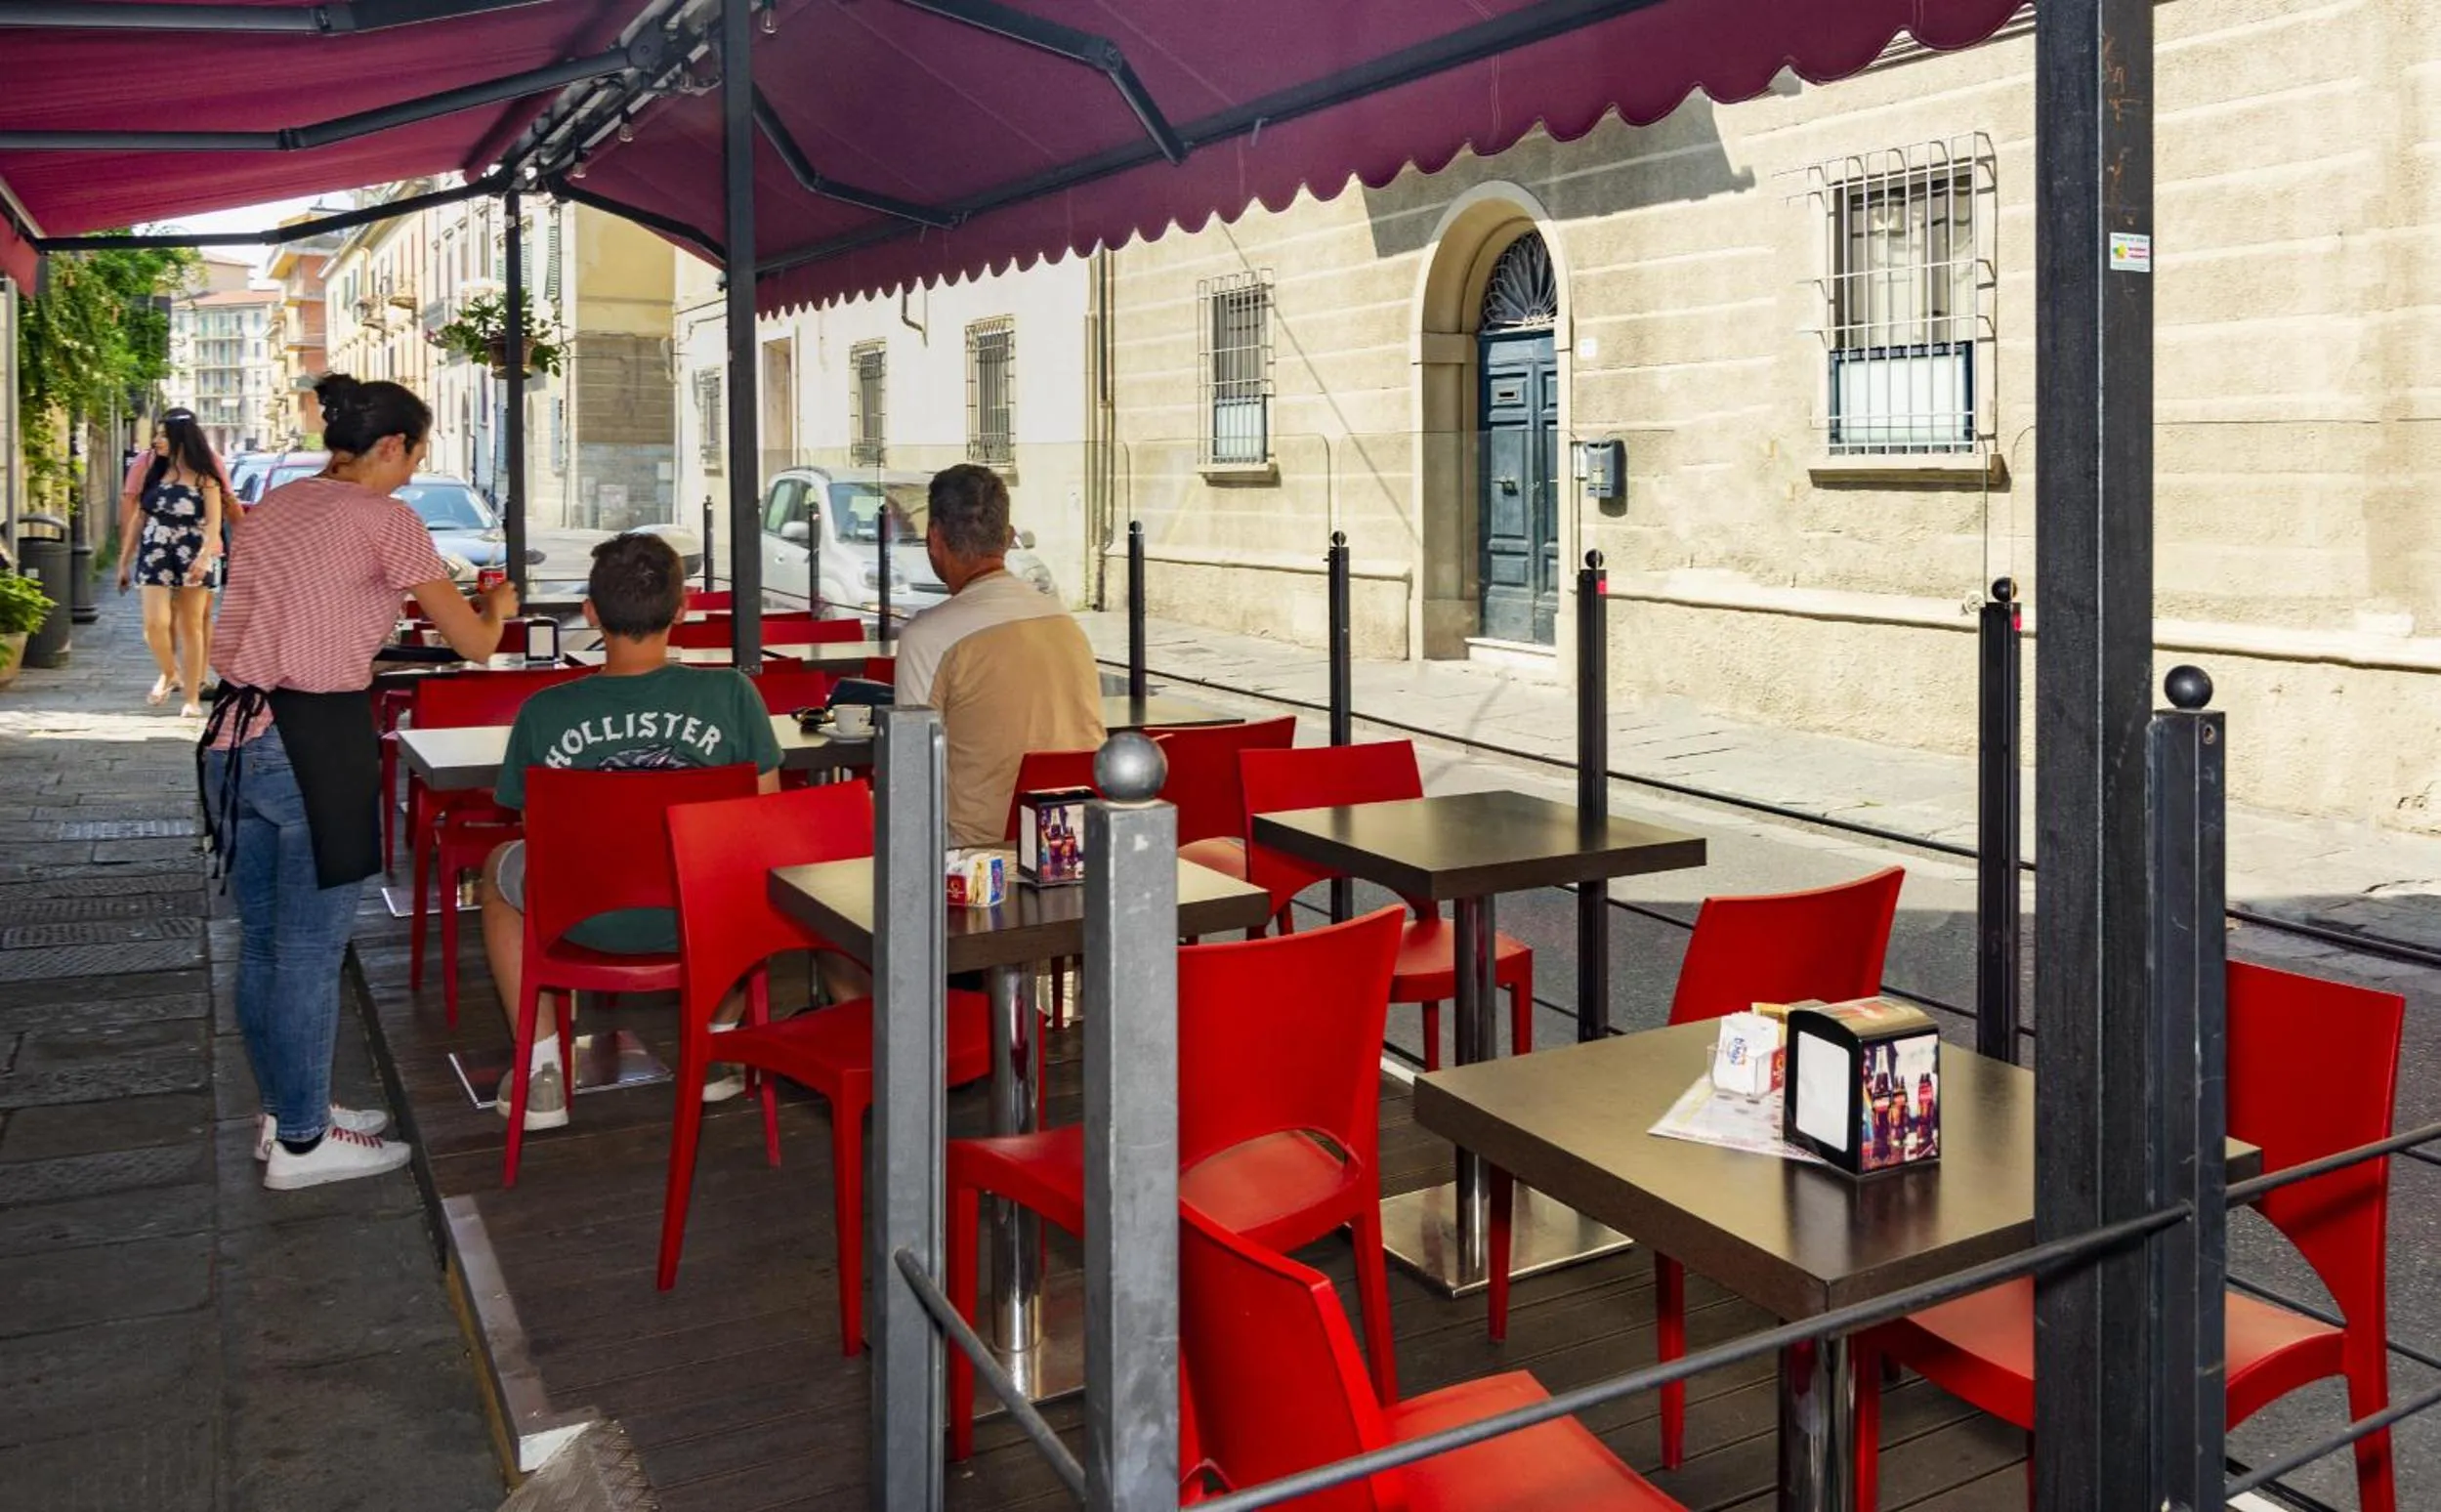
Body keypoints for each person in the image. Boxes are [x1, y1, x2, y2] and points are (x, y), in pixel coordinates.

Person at [201, 373, 519, 1191]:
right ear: (388, 446)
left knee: (265, 946)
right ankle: (306, 1146)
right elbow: (476, 646)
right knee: (311, 952)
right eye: (416, 452)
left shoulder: (277, 506)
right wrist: (500, 605)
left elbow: (294, 617)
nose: (416, 468)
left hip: (235, 736)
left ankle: (287, 1112)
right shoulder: (388, 519)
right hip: (316, 743)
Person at [480, 532, 783, 1131]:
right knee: (752, 868)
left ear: (591, 613)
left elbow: (535, 834)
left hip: (582, 918)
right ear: (682, 608)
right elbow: (763, 820)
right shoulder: (731, 693)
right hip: (703, 922)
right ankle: (717, 1049)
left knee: (499, 867)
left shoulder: (543, 712)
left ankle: (542, 1070)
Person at [894, 464, 1106, 848]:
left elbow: (911, 778)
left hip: (978, 862)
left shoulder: (928, 638)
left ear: (934, 538)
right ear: (1007, 539)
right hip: (1075, 844)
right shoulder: (1066, 623)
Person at [118, 408, 231, 716]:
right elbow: (139, 519)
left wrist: (205, 557)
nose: (156, 441)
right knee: (155, 624)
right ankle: (170, 673)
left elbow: (213, 522)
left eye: (162, 435)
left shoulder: (206, 477)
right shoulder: (153, 472)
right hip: (155, 552)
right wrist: (123, 560)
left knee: (191, 625)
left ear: (180, 439)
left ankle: (192, 699)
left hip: (192, 553)